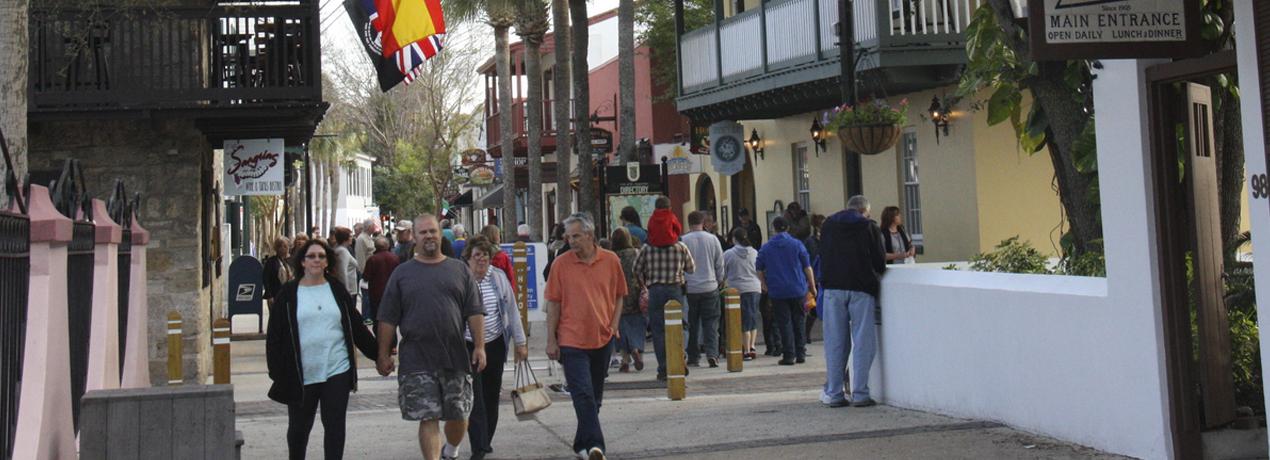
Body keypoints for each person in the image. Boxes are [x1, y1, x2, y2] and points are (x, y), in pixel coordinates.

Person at [376, 214, 488, 460]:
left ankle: (451, 450)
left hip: (455, 356)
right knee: (428, 416)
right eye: (423, 232)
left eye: (433, 231)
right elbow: (387, 318)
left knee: (459, 416)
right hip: (416, 358)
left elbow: (475, 311)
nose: (429, 236)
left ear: (441, 234)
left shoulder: (459, 269)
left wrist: (479, 347)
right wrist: (383, 354)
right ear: (414, 237)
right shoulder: (402, 274)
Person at [266, 239, 379, 460]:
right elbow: (274, 336)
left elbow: (355, 325)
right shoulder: (289, 293)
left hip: (336, 369)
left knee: (335, 427)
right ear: (302, 262)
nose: (316, 260)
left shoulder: (336, 289)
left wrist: (378, 355)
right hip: (301, 374)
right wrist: (277, 372)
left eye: (321, 256)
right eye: (311, 256)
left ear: (328, 262)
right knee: (299, 430)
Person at [545, 213, 628, 460]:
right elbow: (553, 304)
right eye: (568, 237)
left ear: (590, 236)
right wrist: (551, 338)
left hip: (602, 338)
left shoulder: (611, 260)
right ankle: (595, 446)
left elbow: (619, 295)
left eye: (576, 236)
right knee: (582, 393)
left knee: (595, 397)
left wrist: (614, 325)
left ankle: (581, 442)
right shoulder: (561, 264)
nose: (571, 241)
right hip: (571, 340)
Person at [460, 237, 528, 460]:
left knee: (491, 395)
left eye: (485, 255)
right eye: (477, 255)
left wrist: (521, 342)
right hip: (469, 344)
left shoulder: (497, 278)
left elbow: (512, 310)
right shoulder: (462, 280)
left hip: (496, 343)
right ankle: (478, 446)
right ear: (468, 258)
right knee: (475, 398)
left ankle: (486, 439)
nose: (481, 259)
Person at [819, 195, 887, 408]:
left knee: (835, 342)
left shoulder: (829, 225)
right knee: (863, 340)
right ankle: (860, 393)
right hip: (861, 288)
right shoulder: (869, 227)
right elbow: (879, 260)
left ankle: (835, 392)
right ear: (864, 211)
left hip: (832, 288)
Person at [635, 212, 696, 381]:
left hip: (655, 290)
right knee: (680, 326)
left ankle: (663, 367)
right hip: (675, 288)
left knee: (659, 330)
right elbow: (691, 268)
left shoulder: (647, 248)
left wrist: (645, 280)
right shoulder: (680, 247)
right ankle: (679, 357)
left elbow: (636, 269)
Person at [756, 217, 816, 366]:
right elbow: (807, 267)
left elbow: (759, 268)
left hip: (777, 290)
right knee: (799, 320)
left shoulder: (767, 247)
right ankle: (800, 352)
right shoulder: (797, 245)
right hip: (797, 288)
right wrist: (812, 286)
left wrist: (764, 284)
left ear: (773, 229)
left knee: (784, 322)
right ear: (788, 228)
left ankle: (789, 355)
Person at [681, 211, 725, 368]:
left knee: (692, 324)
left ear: (688, 222)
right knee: (711, 322)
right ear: (703, 222)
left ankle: (693, 356)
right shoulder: (712, 239)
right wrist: (720, 280)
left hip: (690, 288)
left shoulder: (683, 240)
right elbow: (719, 262)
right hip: (710, 286)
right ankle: (712, 353)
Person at [723, 227, 761, 361]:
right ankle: (752, 346)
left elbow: (724, 272)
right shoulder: (755, 252)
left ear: (734, 239)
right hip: (755, 288)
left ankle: (746, 349)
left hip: (736, 289)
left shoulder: (728, 254)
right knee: (752, 316)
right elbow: (759, 270)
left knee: (742, 319)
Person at [611, 227, 645, 373]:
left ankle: (625, 359)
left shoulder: (612, 256)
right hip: (635, 294)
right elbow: (642, 271)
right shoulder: (636, 253)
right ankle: (637, 350)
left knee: (621, 328)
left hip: (618, 296)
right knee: (638, 326)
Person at [362, 237, 399, 328]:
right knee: (390, 319)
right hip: (391, 293)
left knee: (376, 318)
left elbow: (366, 276)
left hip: (376, 294)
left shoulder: (372, 259)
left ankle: (379, 338)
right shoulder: (395, 258)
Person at [804, 214, 826, 345]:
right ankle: (806, 334)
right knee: (813, 308)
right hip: (816, 276)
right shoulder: (811, 241)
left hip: (822, 276)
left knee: (818, 307)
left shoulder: (825, 239)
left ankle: (807, 334)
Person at [479, 225, 518, 297]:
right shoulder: (501, 256)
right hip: (500, 293)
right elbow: (510, 279)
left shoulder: (477, 255)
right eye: (499, 235)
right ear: (496, 237)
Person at [262, 237, 293, 309]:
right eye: (281, 246)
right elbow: (266, 279)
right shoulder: (271, 262)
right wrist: (269, 296)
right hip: (275, 295)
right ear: (277, 248)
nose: (284, 249)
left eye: (286, 246)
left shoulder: (289, 262)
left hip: (287, 295)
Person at [331, 227, 359, 301]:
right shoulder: (342, 251)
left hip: (350, 288)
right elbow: (342, 272)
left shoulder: (342, 249)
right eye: (350, 236)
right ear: (345, 238)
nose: (352, 238)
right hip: (348, 290)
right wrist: (346, 290)